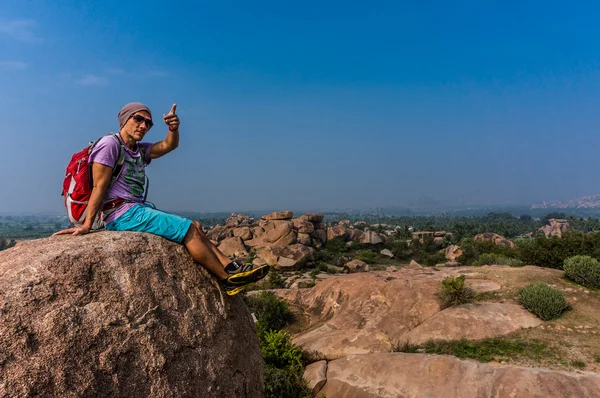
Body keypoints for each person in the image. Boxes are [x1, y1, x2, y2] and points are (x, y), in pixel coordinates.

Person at [54, 102, 269, 295]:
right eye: (138, 119)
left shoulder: (138, 150)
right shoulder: (110, 145)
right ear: (125, 120)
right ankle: (226, 279)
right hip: (118, 213)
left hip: (133, 209)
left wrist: (173, 129)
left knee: (194, 225)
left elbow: (168, 145)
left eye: (148, 123)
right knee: (188, 229)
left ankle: (231, 267)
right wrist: (87, 225)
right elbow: (99, 186)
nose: (143, 126)